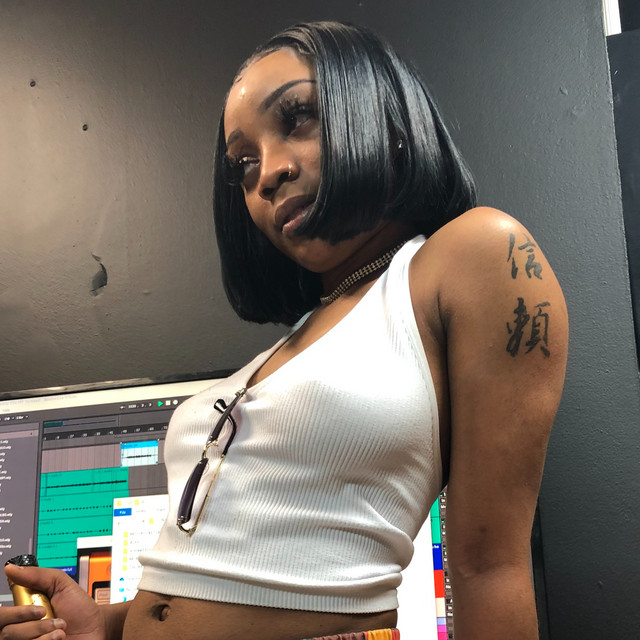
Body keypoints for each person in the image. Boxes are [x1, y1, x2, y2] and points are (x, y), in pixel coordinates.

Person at [1, 21, 568, 640]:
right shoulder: (294, 341)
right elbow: (216, 585)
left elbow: (489, 567)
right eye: (243, 164)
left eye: (297, 118)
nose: (266, 174)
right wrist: (106, 625)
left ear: (383, 115)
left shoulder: (471, 255)